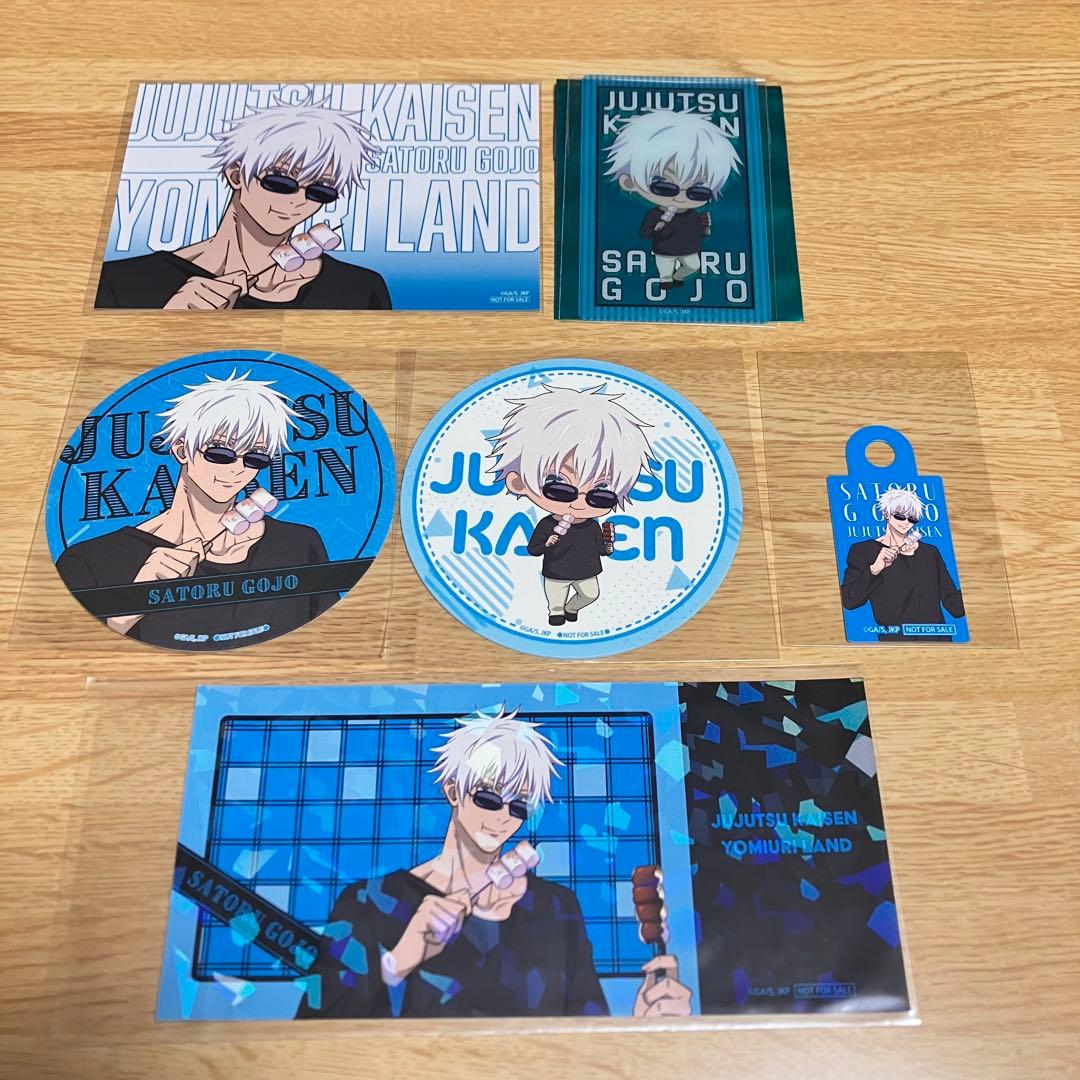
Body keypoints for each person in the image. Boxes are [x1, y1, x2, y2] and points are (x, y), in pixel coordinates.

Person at [296, 707, 692, 1019]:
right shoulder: (369, 903)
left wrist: (643, 1024)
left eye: (518, 806)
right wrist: (398, 961)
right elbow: (310, 1032)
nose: (503, 817)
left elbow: (587, 1036)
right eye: (487, 798)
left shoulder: (557, 907)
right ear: (453, 791)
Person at [56, 370, 338, 649]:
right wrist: (130, 604)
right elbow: (70, 651)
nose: (237, 469)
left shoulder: (298, 544)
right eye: (220, 453)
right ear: (182, 451)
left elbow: (330, 638)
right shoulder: (91, 560)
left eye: (255, 457)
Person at [96, 103, 392, 309]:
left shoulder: (359, 289)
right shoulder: (121, 282)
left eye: (320, 191)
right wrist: (162, 327)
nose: (298, 200)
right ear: (237, 176)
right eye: (280, 182)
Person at [489, 384, 654, 626]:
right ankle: (557, 612)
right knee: (555, 605)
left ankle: (571, 608)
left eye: (601, 492)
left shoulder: (592, 525)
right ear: (518, 482)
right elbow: (533, 549)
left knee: (591, 594)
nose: (580, 501)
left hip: (586, 572)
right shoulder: (547, 524)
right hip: (555, 572)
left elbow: (601, 550)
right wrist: (548, 542)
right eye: (558, 486)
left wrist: (609, 544)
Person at [605, 108, 740, 291]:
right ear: (629, 182)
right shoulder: (655, 214)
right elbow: (644, 233)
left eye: (698, 190)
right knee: (665, 272)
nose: (680, 196)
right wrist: (658, 226)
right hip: (664, 250)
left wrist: (706, 228)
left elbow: (699, 233)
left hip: (689, 250)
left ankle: (678, 276)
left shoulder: (692, 215)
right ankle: (667, 279)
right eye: (664, 186)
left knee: (693, 266)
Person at [840, 488, 965, 641]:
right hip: (896, 642)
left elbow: (954, 606)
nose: (906, 523)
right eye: (900, 516)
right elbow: (849, 601)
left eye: (912, 519)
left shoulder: (930, 553)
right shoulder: (864, 551)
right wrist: (874, 570)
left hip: (939, 641)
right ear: (886, 513)